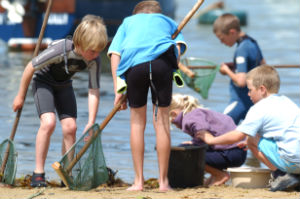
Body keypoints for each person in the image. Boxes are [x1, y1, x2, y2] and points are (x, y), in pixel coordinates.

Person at [12, 15, 108, 187]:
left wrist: (91, 122)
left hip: (64, 85)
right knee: (49, 123)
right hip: (43, 82)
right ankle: (38, 173)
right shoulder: (61, 49)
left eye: (99, 51)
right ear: (80, 44)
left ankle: (67, 171)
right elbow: (29, 68)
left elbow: (93, 89)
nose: (96, 55)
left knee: (71, 128)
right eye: (93, 51)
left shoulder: (95, 60)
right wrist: (20, 96)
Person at [108, 0, 186, 191]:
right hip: (162, 64)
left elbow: (115, 53)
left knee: (137, 123)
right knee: (161, 122)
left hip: (135, 67)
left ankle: (138, 182)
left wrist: (119, 88)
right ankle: (163, 183)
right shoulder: (167, 21)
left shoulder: (127, 22)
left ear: (137, 14)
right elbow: (177, 48)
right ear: (157, 13)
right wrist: (171, 66)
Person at [197, 65, 300, 192]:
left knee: (251, 139)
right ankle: (295, 175)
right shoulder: (287, 102)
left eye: (250, 90)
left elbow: (237, 135)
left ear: (262, 89)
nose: (248, 94)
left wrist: (211, 140)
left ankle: (281, 175)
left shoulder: (258, 108)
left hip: (291, 161)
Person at [169, 93, 247, 186]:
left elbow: (204, 132)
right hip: (237, 151)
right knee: (187, 148)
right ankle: (214, 176)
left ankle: (220, 175)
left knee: (185, 153)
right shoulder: (198, 113)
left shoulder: (189, 118)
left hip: (231, 153)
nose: (175, 125)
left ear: (173, 114)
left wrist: (194, 144)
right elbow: (207, 134)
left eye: (173, 123)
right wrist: (194, 142)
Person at [213, 13, 266, 125]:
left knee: (221, 126)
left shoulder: (241, 49)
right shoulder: (252, 42)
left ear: (232, 32)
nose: (221, 42)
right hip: (255, 101)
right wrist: (235, 65)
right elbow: (263, 66)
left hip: (240, 101)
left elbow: (241, 81)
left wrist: (226, 70)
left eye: (222, 38)